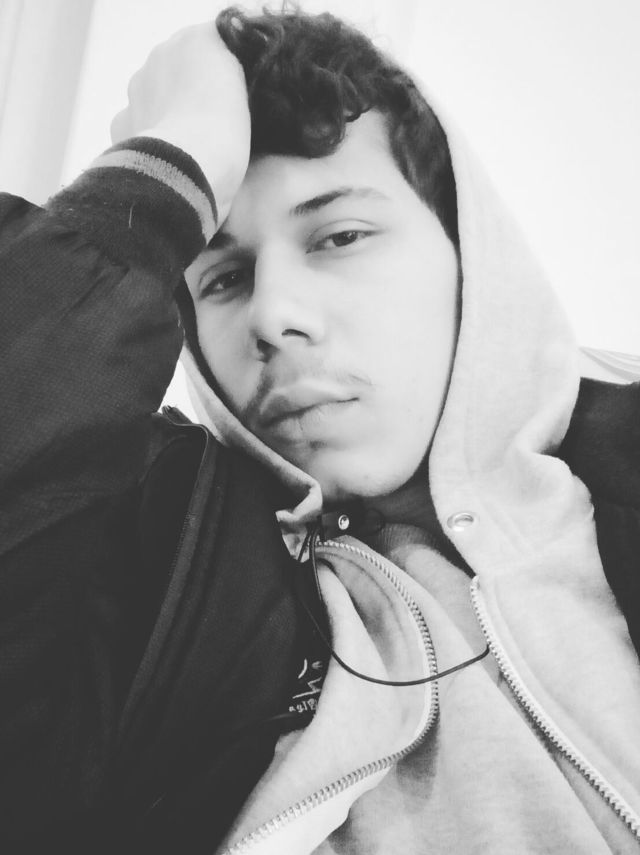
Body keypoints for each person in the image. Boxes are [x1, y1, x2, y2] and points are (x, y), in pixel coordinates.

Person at [1, 6, 639, 854]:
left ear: (469, 253)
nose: (273, 313)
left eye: (339, 236)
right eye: (223, 278)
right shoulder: (156, 567)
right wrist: (169, 164)